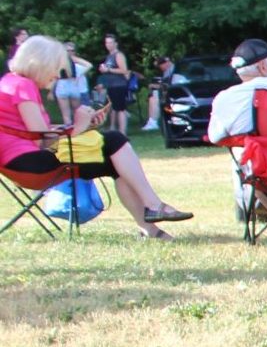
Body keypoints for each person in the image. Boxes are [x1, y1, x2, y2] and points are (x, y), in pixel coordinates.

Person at [2, 35, 194, 236]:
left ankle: (151, 229)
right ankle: (153, 207)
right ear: (40, 63)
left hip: (20, 165)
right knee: (114, 141)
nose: (57, 75)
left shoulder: (10, 83)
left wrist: (79, 126)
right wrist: (79, 126)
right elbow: (41, 139)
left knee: (117, 162)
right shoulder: (23, 86)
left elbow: (33, 133)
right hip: (31, 165)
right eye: (55, 68)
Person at [96, 32, 136, 135]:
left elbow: (124, 70)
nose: (108, 45)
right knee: (113, 107)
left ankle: (123, 131)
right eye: (106, 43)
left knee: (121, 109)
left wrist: (108, 69)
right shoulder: (109, 56)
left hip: (119, 84)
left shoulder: (118, 55)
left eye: (110, 42)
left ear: (116, 43)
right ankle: (113, 128)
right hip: (111, 85)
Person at [51, 45, 90, 125]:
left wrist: (51, 91)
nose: (70, 52)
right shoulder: (75, 62)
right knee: (77, 112)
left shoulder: (58, 61)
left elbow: (55, 77)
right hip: (73, 84)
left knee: (66, 115)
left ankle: (69, 132)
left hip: (62, 85)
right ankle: (78, 131)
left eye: (71, 50)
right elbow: (88, 65)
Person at [142, 54, 170, 132]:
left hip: (172, 94)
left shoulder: (172, 71)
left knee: (154, 97)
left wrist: (155, 86)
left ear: (166, 63)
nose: (160, 67)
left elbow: (168, 85)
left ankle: (153, 122)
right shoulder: (167, 72)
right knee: (153, 95)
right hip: (166, 93)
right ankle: (151, 121)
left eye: (160, 65)